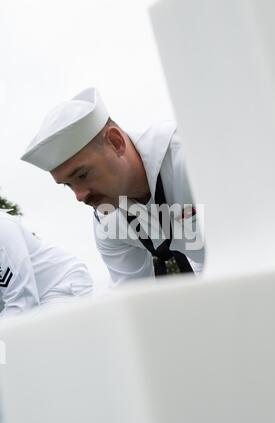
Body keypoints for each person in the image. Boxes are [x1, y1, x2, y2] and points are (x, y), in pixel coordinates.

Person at [20, 87, 205, 286]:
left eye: (82, 175)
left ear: (116, 142)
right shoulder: (107, 221)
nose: (79, 196)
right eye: (68, 185)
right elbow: (132, 295)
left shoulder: (192, 159)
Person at [0, 210, 93, 318]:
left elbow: (23, 302)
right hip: (27, 298)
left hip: (59, 285)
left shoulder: (2, 226)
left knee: (48, 333)